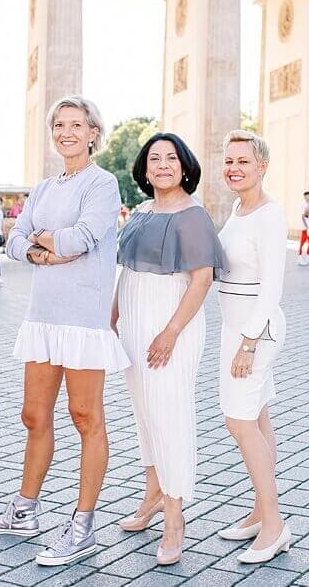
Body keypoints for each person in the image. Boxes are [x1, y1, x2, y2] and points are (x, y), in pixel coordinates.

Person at [0, 95, 128, 568]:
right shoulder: (42, 188)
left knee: (86, 418)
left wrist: (43, 240)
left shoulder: (103, 184)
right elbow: (14, 240)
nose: (66, 132)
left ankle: (82, 525)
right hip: (43, 316)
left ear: (93, 133)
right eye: (59, 125)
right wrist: (44, 248)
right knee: (33, 416)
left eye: (76, 125)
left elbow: (82, 239)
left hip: (83, 319)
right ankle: (25, 510)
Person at [113, 133, 225, 566]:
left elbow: (201, 280)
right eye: (154, 158)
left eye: (171, 158)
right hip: (134, 326)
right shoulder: (141, 211)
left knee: (171, 416)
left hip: (170, 327)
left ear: (184, 167)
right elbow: (127, 271)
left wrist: (170, 332)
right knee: (145, 415)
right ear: (144, 168)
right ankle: (153, 494)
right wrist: (112, 315)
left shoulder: (193, 215)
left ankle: (175, 517)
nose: (162, 165)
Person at [214, 129, 291, 564]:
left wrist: (247, 344)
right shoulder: (238, 208)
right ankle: (261, 512)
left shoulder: (269, 214)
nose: (234, 168)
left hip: (254, 333)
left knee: (238, 421)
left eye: (243, 161)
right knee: (257, 419)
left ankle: (276, 524)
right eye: (229, 161)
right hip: (234, 328)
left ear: (262, 166)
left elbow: (271, 289)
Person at [297, 191, 309, 265]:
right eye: (307, 197)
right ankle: (300, 257)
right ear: (305, 197)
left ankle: (307, 256)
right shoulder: (303, 205)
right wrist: (307, 227)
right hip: (305, 227)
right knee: (302, 242)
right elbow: (303, 216)